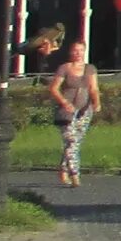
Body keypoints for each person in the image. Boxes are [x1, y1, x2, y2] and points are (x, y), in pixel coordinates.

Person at [48, 42, 101, 187]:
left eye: (81, 50)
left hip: (84, 110)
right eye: (75, 50)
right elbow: (54, 88)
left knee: (75, 143)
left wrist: (96, 103)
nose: (78, 53)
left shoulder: (89, 68)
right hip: (66, 112)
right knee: (71, 141)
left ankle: (64, 169)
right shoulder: (64, 68)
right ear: (71, 52)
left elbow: (93, 88)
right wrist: (65, 103)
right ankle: (75, 174)